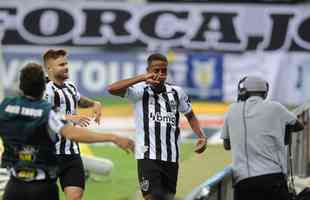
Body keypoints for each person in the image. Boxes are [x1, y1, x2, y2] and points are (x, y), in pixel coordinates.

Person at [0, 63, 134, 200]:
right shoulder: (47, 112)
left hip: (14, 186)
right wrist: (113, 137)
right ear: (43, 87)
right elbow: (73, 133)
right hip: (41, 187)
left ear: (21, 86)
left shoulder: (5, 106)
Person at [107, 53, 207, 200]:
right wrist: (141, 78)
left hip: (171, 157)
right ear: (148, 70)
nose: (160, 74)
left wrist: (201, 136)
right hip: (148, 156)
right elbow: (111, 89)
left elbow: (190, 115)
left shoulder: (176, 92)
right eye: (156, 70)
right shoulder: (139, 91)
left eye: (164, 71)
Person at [221, 76, 304, 200]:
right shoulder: (275, 107)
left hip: (244, 182)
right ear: (265, 93)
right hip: (274, 178)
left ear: (243, 91)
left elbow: (227, 145)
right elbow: (298, 125)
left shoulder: (232, 110)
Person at [42, 49, 103, 200]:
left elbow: (79, 99)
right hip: (48, 155)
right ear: (50, 68)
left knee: (75, 196)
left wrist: (95, 103)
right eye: (61, 64)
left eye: (66, 63)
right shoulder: (43, 89)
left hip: (71, 154)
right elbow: (41, 114)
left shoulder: (70, 86)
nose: (66, 67)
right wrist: (68, 117)